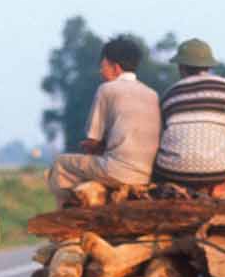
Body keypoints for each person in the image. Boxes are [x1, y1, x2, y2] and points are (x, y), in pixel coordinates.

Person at [46, 36, 161, 206]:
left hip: (117, 171)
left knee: (61, 164)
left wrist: (93, 145)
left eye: (103, 66)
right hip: (146, 174)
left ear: (115, 67)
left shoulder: (106, 89)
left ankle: (66, 217)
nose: (101, 71)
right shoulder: (152, 94)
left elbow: (93, 140)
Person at [152, 38, 225, 190]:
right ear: (208, 65)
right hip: (215, 174)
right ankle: (216, 189)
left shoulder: (169, 95)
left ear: (181, 67)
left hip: (170, 174)